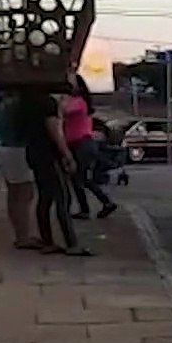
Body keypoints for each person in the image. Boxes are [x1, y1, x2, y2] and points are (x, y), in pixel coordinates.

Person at [16, 86, 91, 257]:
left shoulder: (26, 103)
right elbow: (55, 131)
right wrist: (67, 155)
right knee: (63, 197)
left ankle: (47, 240)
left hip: (34, 153)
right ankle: (71, 243)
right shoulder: (48, 103)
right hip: (49, 155)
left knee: (44, 197)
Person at [0, 92, 42, 249]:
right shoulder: (18, 106)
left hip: (4, 148)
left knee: (13, 194)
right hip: (19, 151)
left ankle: (20, 234)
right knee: (25, 195)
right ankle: (23, 236)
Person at [62, 71, 116, 220]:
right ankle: (101, 204)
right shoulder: (79, 101)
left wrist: (61, 99)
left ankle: (91, 207)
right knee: (81, 178)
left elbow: (63, 110)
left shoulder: (78, 102)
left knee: (78, 177)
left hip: (81, 143)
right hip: (80, 143)